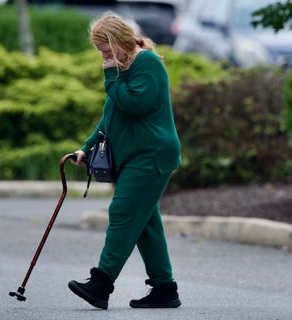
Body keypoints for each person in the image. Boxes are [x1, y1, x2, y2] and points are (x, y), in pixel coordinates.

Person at [67, 12, 182, 310]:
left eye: (106, 51)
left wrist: (110, 76)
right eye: (101, 53)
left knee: (122, 212)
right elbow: (111, 117)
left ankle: (101, 283)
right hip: (135, 157)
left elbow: (135, 104)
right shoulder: (120, 68)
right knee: (145, 224)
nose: (104, 57)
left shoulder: (147, 64)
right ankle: (164, 288)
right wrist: (86, 148)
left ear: (119, 40)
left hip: (152, 155)